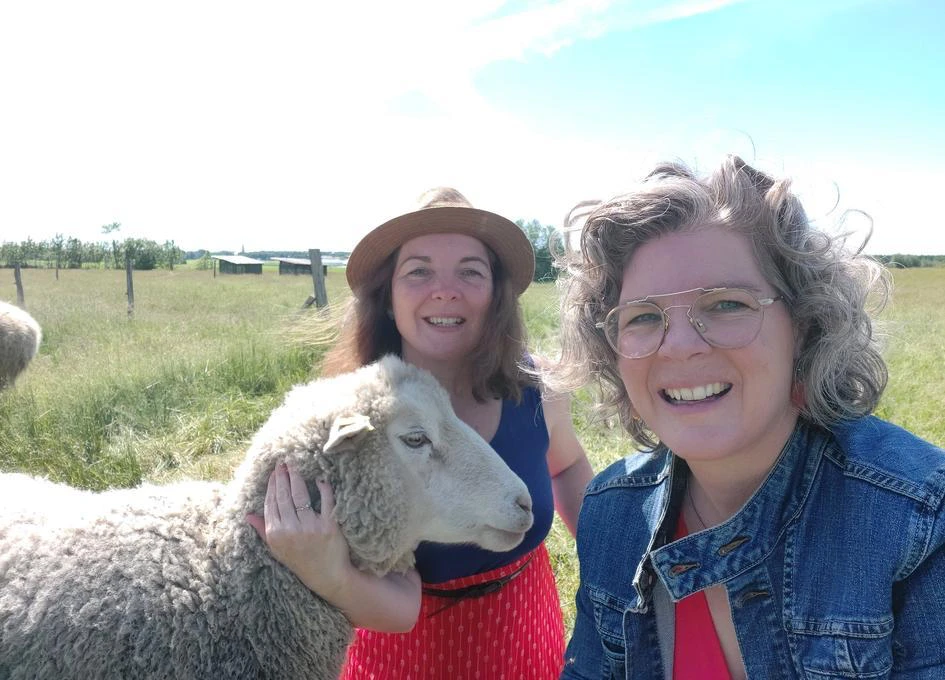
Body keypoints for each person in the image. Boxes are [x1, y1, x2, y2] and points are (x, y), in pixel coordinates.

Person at [552, 155, 945, 679]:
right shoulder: (610, 513)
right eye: (644, 317)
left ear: (804, 325)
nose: (681, 346)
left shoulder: (917, 520)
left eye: (727, 304)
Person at [246, 187, 593, 679]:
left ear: (496, 293)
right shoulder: (351, 426)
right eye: (419, 270)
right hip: (396, 657)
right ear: (388, 298)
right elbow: (397, 603)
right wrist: (332, 575)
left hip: (525, 640)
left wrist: (611, 557)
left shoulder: (537, 393)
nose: (445, 290)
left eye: (470, 271)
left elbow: (568, 466)